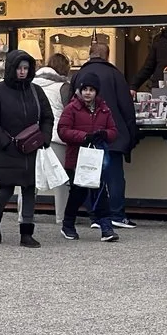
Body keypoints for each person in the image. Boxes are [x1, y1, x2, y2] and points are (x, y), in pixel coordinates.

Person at [0, 49, 51, 248]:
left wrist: (45, 138)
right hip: (7, 148)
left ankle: (26, 232)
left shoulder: (36, 91)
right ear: (11, 69)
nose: (22, 72)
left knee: (29, 190)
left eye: (26, 68)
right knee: (6, 188)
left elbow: (47, 117)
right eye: (19, 68)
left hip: (32, 147)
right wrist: (4, 141)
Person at [67, 44, 135, 228]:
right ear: (107, 55)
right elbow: (127, 107)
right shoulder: (115, 75)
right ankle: (116, 214)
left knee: (90, 176)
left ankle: (95, 215)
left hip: (86, 136)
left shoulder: (79, 75)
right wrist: (130, 133)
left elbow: (70, 104)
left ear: (89, 55)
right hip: (111, 134)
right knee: (114, 177)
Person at [55, 75, 120, 242]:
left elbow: (113, 131)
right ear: (80, 90)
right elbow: (62, 131)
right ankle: (68, 224)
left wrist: (104, 134)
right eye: (85, 89)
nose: (88, 93)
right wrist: (84, 137)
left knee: (100, 192)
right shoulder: (71, 108)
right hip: (77, 158)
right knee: (78, 193)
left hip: (96, 157)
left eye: (91, 90)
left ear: (96, 92)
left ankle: (106, 227)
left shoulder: (104, 109)